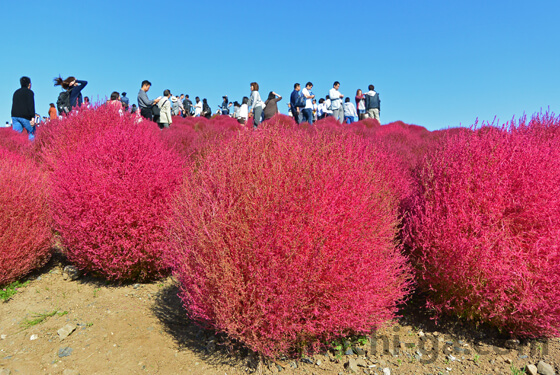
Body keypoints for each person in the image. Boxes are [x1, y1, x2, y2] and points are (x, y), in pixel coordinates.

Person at [11, 76, 36, 140]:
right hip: (25, 116)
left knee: (16, 136)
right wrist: (32, 117)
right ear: (29, 84)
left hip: (15, 116)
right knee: (32, 132)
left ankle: (15, 149)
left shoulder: (16, 92)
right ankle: (32, 147)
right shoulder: (30, 92)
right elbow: (31, 105)